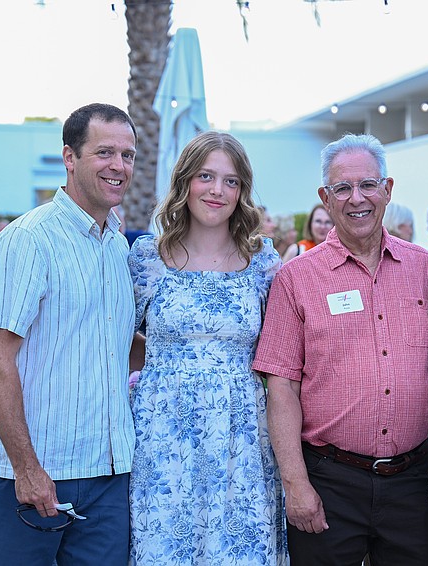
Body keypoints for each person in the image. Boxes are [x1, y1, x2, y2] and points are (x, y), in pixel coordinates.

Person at [254, 133, 428, 565]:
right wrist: (296, 486)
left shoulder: (427, 270)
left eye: (368, 185)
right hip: (329, 481)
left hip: (413, 482)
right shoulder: (296, 278)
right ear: (325, 195)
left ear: (388, 189)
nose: (357, 198)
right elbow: (281, 388)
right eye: (342, 188)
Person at [0, 103, 138, 565]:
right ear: (69, 157)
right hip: (30, 479)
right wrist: (27, 469)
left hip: (107, 479)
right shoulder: (29, 239)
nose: (119, 166)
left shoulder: (115, 244)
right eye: (104, 152)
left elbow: (115, 347)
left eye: (128, 155)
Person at [128, 131, 287, 564]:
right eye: (206, 177)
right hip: (162, 434)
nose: (218, 191)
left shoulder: (264, 263)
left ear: (242, 192)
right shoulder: (146, 257)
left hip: (244, 434)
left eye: (231, 181)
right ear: (185, 182)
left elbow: (283, 353)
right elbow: (115, 339)